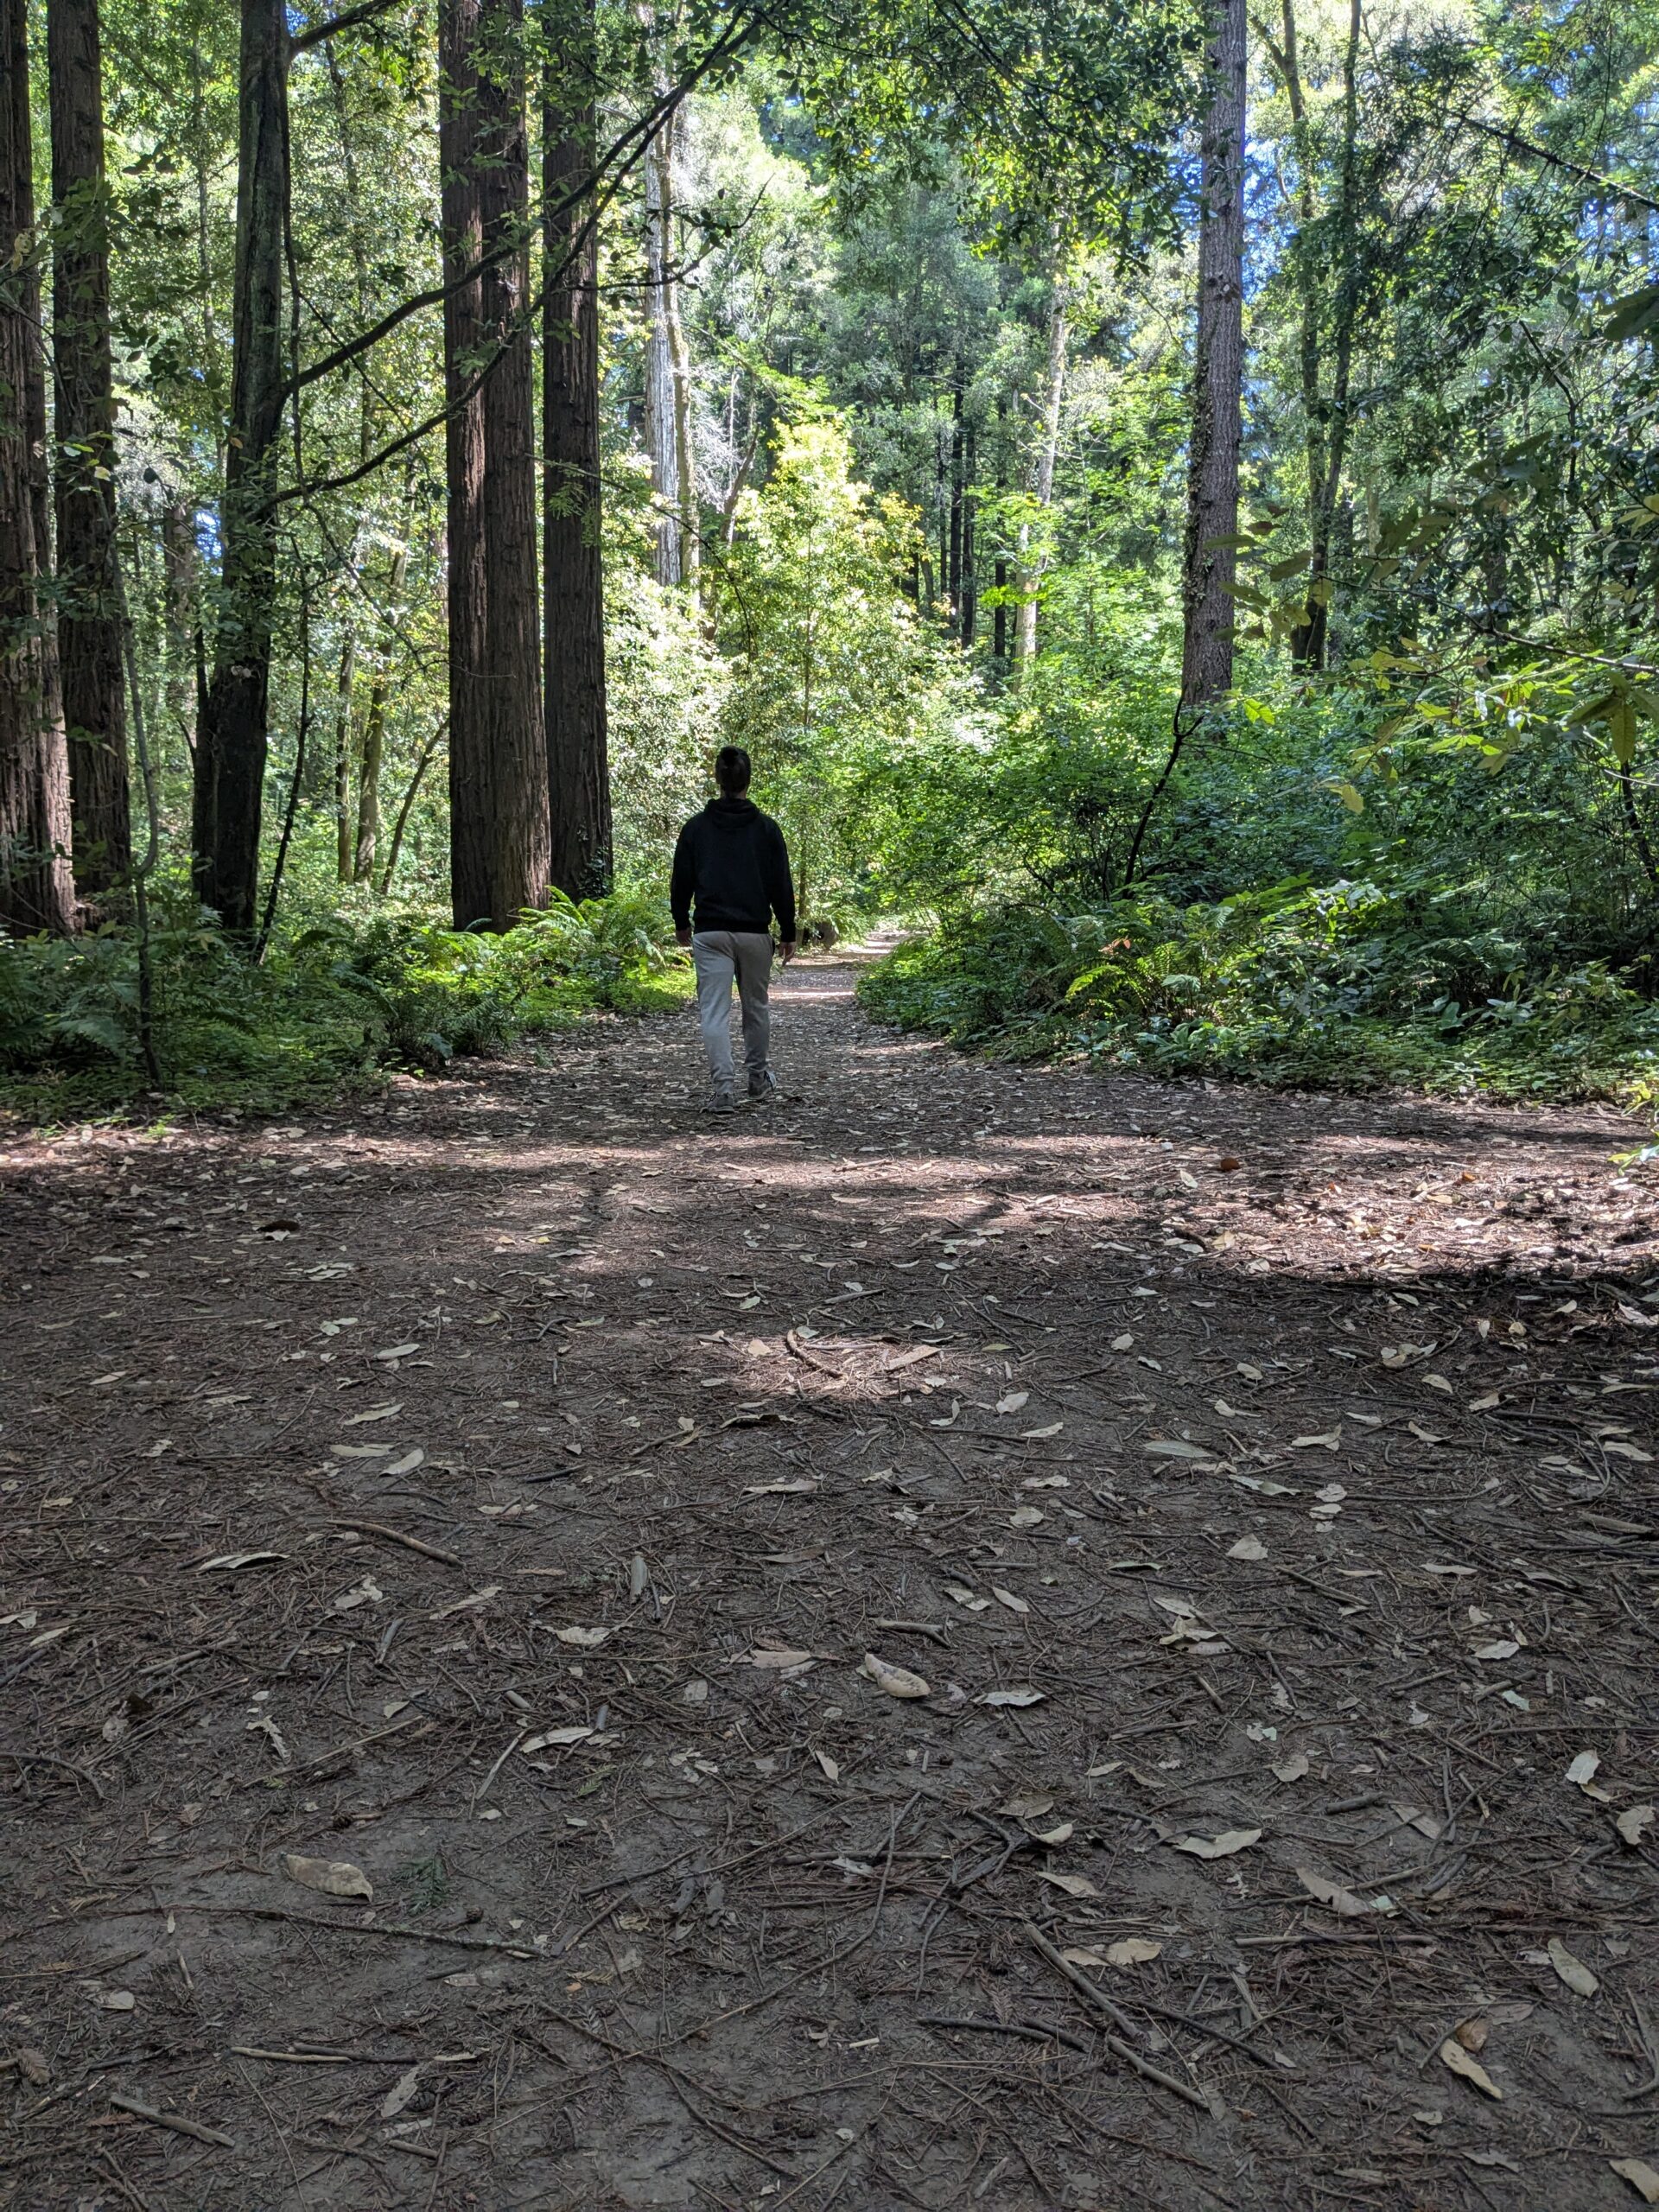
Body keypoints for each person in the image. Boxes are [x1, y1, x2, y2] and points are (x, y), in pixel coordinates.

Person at [670, 746, 796, 1112]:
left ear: (718, 780)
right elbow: (780, 884)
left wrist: (682, 921)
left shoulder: (695, 828)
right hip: (755, 933)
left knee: (714, 1011)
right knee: (756, 1006)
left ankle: (724, 1091)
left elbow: (681, 880)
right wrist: (788, 930)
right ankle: (758, 1079)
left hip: (711, 934)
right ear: (748, 780)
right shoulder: (767, 829)